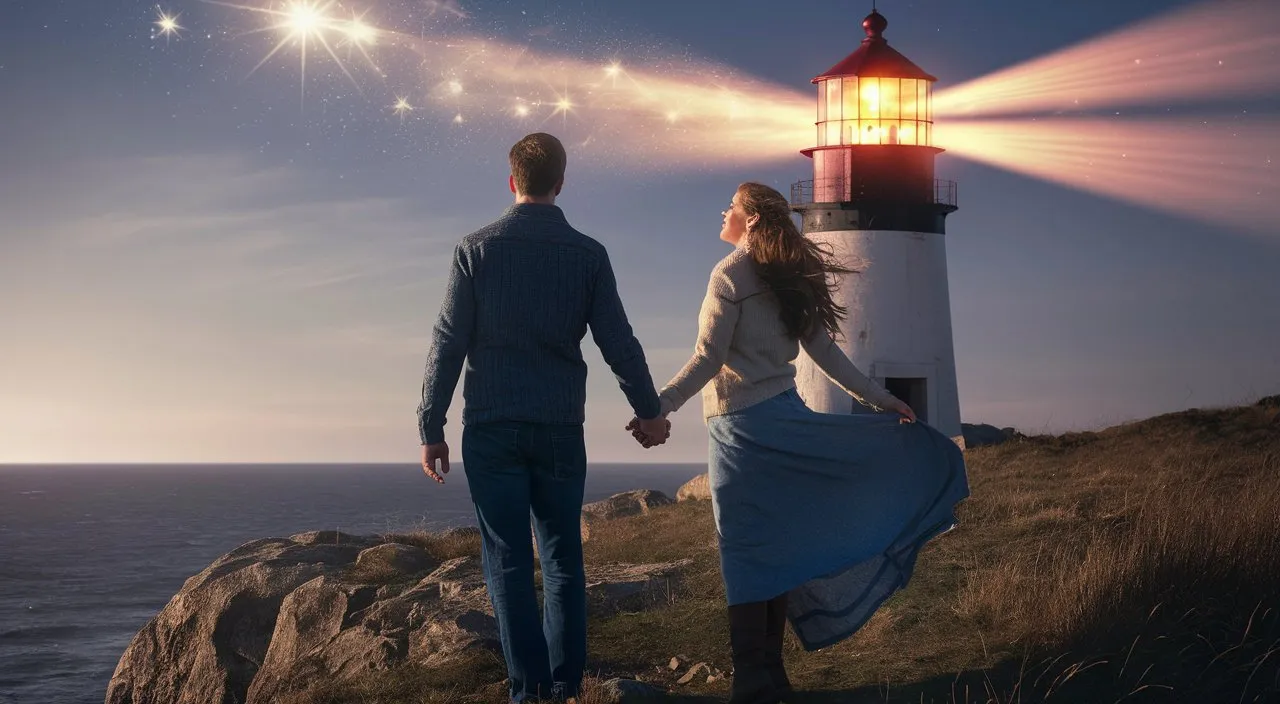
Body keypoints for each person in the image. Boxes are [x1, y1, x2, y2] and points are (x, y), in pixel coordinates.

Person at [633, 182, 969, 704]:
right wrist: (883, 400)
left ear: (749, 220)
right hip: (788, 418)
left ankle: (752, 679)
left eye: (733, 206)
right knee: (777, 548)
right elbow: (827, 358)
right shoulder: (789, 276)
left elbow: (706, 358)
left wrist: (658, 407)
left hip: (742, 432)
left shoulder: (728, 275)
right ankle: (771, 675)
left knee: (746, 550)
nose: (724, 211)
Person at [416, 132, 671, 703]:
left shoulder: (474, 249)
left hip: (491, 426)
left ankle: (528, 693)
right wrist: (649, 412)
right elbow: (617, 342)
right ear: (561, 182)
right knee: (562, 559)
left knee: (506, 562)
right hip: (559, 428)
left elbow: (447, 341)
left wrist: (430, 426)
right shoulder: (589, 254)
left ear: (512, 182)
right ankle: (566, 686)